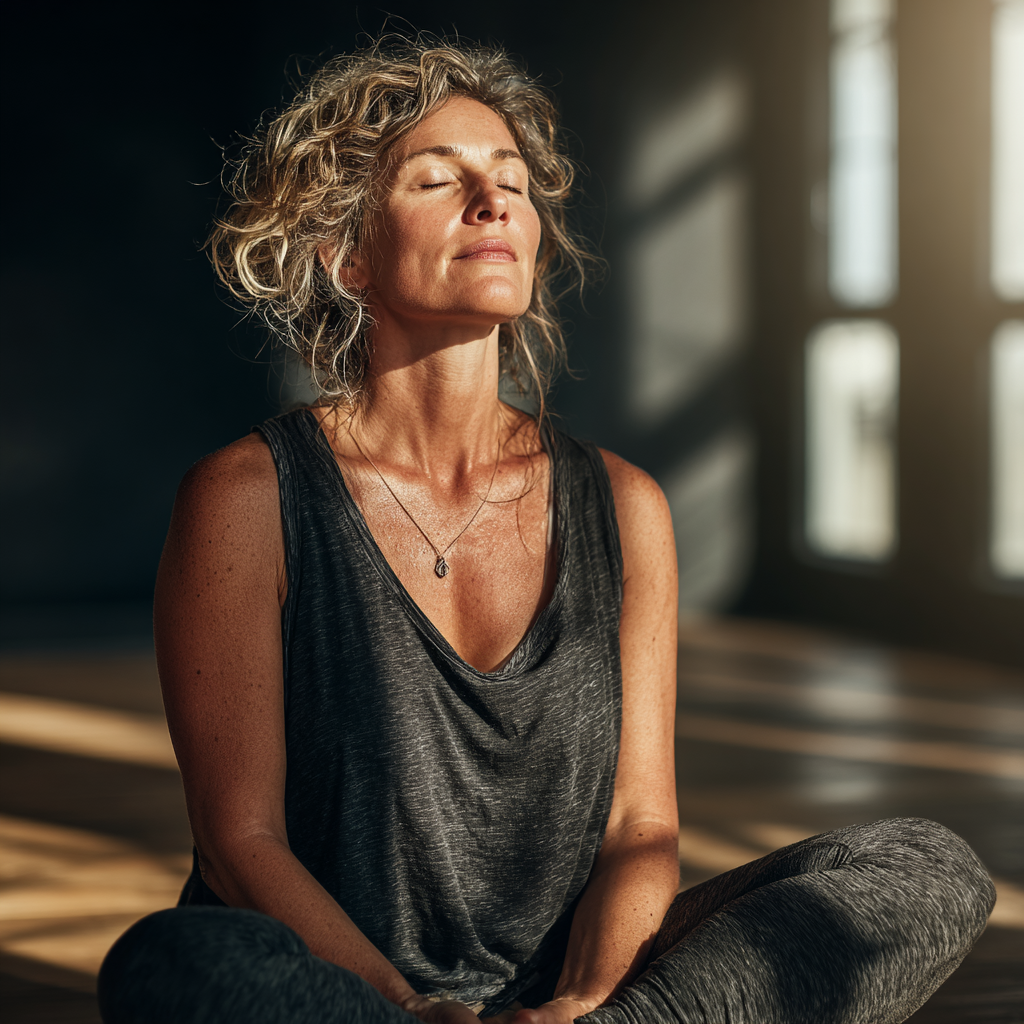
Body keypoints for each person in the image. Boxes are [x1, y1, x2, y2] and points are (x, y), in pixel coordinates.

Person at [98, 37, 995, 1024]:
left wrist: (584, 999)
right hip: (351, 993)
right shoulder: (246, 497)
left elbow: (638, 828)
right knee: (173, 960)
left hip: (567, 993)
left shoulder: (623, 504)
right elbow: (241, 842)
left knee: (925, 867)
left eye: (511, 184)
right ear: (345, 254)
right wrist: (406, 1004)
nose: (492, 204)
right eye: (441, 181)